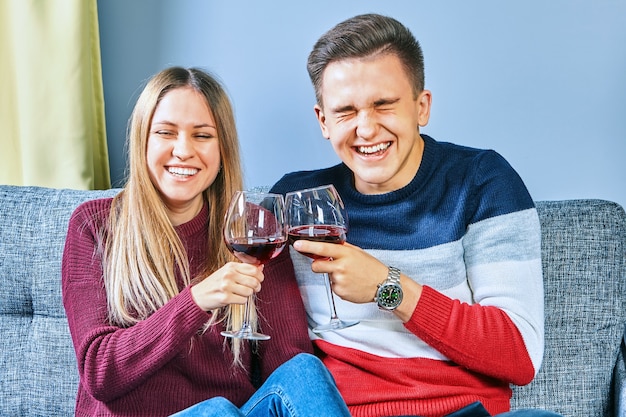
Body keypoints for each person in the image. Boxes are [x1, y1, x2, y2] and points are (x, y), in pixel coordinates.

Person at [269, 14, 563, 417]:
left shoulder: (482, 183)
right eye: (346, 111)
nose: (366, 129)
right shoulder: (297, 202)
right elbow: (270, 352)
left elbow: (518, 355)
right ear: (323, 121)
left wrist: (385, 286)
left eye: (383, 104)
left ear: (421, 107)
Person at [61, 66, 350, 417]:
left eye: (202, 136)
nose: (183, 151)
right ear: (143, 140)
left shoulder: (255, 230)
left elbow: (287, 365)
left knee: (305, 371)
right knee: (216, 411)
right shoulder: (95, 225)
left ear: (222, 148)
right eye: (166, 133)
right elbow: (100, 373)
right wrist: (195, 301)